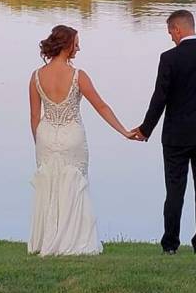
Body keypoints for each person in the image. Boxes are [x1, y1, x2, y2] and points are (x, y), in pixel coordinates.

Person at [28, 24, 136, 255]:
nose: (78, 48)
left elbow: (34, 116)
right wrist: (124, 131)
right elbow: (101, 106)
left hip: (45, 136)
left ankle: (47, 241)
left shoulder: (36, 76)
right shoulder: (78, 76)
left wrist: (40, 142)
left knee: (50, 186)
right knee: (74, 186)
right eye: (76, 44)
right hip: (72, 136)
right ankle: (74, 242)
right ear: (66, 45)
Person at [130, 10, 196, 254]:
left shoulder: (169, 58)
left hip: (176, 137)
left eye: (170, 33)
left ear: (178, 28)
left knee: (174, 190)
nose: (171, 38)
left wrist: (145, 129)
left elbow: (160, 98)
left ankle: (170, 244)